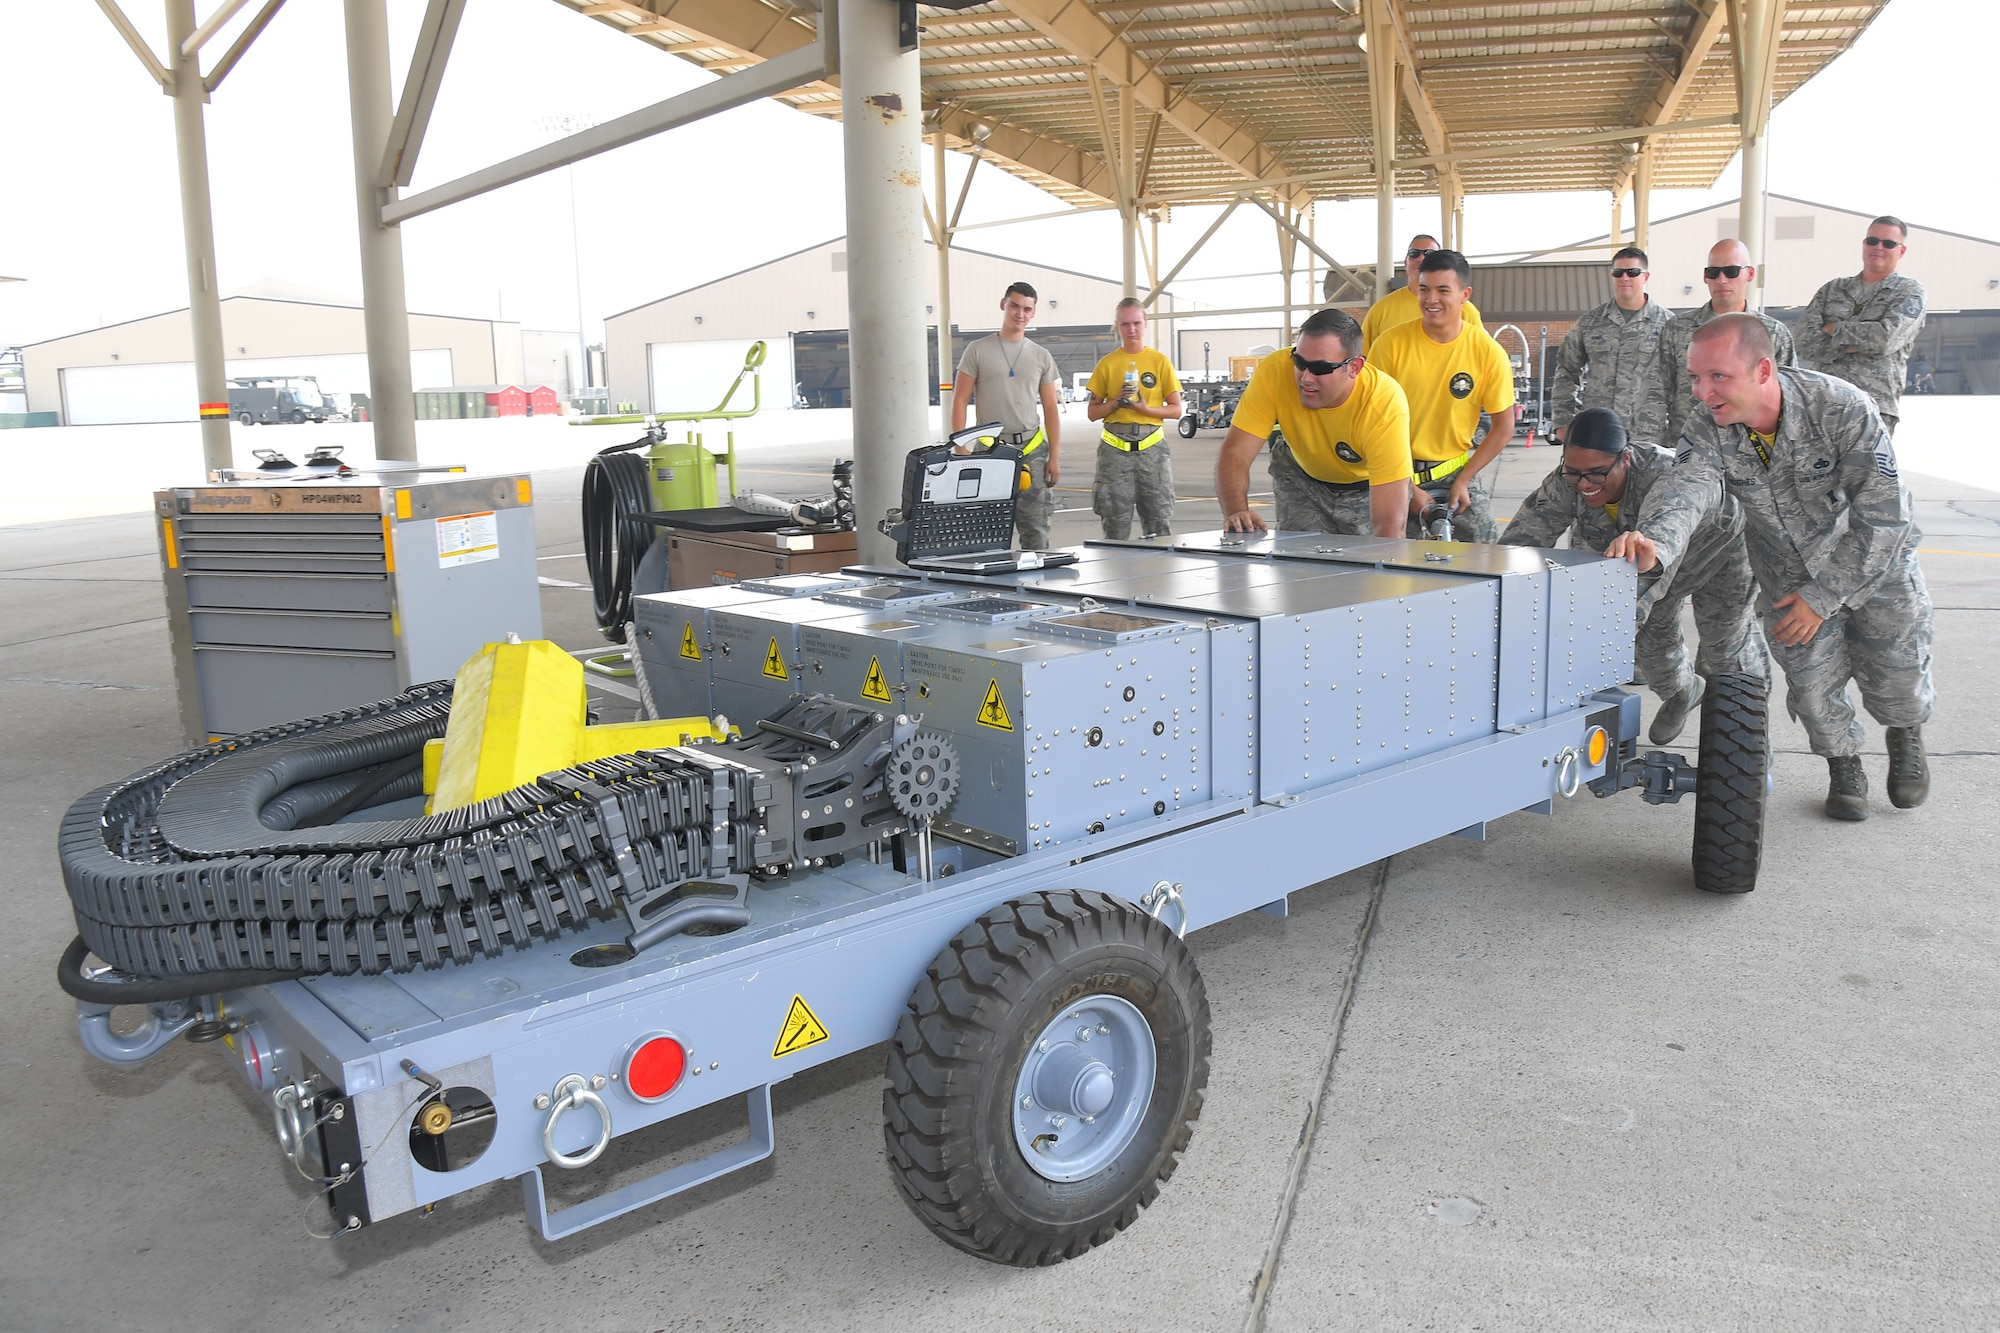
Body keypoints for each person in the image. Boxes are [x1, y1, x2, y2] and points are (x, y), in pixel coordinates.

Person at [1607, 315, 1934, 822]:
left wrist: (1825, 598)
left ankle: (1904, 734)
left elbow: (1885, 515)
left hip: (1874, 566)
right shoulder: (1708, 425)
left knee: (1897, 669)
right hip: (1788, 575)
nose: (1702, 391)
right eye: (1695, 377)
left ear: (1762, 370)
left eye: (1717, 376)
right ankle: (1843, 766)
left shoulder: (1841, 407)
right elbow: (1686, 487)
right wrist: (1656, 542)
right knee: (1810, 684)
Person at [1501, 407, 1765, 744]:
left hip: (1715, 549)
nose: (1584, 485)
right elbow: (1518, 547)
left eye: (1596, 473)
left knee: (1725, 646)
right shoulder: (1567, 481)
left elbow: (1655, 548)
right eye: (1574, 472)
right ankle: (1682, 691)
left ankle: (1751, 741)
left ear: (1625, 459)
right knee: (1651, 637)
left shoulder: (1666, 475)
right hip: (1642, 555)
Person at [1215, 307, 1411, 537]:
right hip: (1301, 479)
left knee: (1365, 563)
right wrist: (1236, 511)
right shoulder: (1275, 371)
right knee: (1299, 561)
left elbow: (1389, 527)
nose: (1306, 378)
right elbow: (1235, 453)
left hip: (1365, 488)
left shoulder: (1383, 403)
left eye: (1320, 368)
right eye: (1299, 361)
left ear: (1354, 367)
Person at [1367, 249, 1517, 543]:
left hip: (1455, 474)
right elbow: (1368, 420)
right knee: (1383, 557)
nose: (1431, 299)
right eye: (1424, 289)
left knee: (1488, 554)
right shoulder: (1390, 345)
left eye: (1442, 290)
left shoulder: (1487, 352)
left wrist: (1465, 479)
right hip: (1394, 472)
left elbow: (1504, 426)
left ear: (1465, 294)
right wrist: (1407, 488)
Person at [1636, 239, 1795, 448]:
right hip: (1690, 446)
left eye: (1731, 271)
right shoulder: (1676, 329)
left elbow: (1788, 400)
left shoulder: (1773, 334)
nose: (1721, 279)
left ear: (1750, 274)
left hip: (1752, 453)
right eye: (1713, 272)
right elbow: (1654, 393)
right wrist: (1652, 450)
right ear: (1705, 277)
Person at [951, 281, 1063, 549]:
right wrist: (960, 447)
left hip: (1032, 452)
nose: (1020, 314)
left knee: (1036, 532)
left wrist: (1055, 457)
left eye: (1027, 309)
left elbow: (1050, 409)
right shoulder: (977, 350)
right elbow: (960, 400)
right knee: (987, 532)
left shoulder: (1041, 356)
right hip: (990, 451)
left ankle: (1036, 587)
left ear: (1034, 312)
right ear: (1004, 305)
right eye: (1014, 306)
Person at [1794, 216, 1928, 433]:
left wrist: (1834, 329)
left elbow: (1885, 339)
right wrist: (1859, 343)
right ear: (1864, 243)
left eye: (1889, 243)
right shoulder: (1833, 290)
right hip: (1822, 404)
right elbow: (1803, 342)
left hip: (1873, 407)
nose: (1879, 247)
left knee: (1865, 468)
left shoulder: (1909, 293)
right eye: (1872, 241)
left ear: (1901, 251)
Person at [1084, 298, 1184, 539]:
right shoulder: (1107, 364)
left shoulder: (1159, 362)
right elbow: (1092, 412)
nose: (1132, 330)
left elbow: (1176, 409)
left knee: (1158, 526)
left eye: (1137, 323)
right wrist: (1116, 402)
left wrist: (1145, 409)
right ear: (1117, 326)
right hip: (1114, 455)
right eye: (1125, 324)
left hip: (1152, 453)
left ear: (1145, 323)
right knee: (1115, 527)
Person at [1550, 246, 1671, 440]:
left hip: (1649, 436)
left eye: (1632, 272)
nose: (1625, 278)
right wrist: (1562, 421)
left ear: (1645, 277)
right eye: (1618, 272)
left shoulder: (1669, 325)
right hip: (1598, 434)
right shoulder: (1590, 323)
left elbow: (1683, 382)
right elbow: (1566, 370)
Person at [1360, 234, 1482, 350]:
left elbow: (1479, 352)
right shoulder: (1381, 309)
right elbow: (1362, 360)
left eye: (1429, 254)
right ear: (1405, 262)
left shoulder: (1466, 310)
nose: (1421, 258)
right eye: (1414, 253)